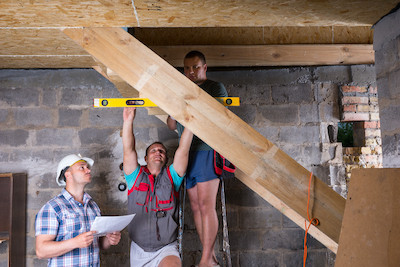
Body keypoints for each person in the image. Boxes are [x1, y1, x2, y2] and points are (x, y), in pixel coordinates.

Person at [167, 50, 228, 267]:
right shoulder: (182, 91)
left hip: (206, 150)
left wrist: (188, 101)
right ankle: (209, 258)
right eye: (187, 68)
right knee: (195, 206)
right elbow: (171, 124)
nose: (191, 71)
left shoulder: (214, 87)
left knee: (206, 204)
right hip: (187, 153)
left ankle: (205, 259)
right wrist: (177, 103)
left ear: (205, 67)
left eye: (195, 67)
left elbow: (218, 118)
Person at [122, 107, 193, 267]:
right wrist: (128, 121)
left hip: (166, 248)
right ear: (146, 158)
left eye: (161, 151)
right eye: (153, 150)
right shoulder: (134, 176)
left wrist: (191, 123)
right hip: (139, 249)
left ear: (166, 158)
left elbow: (183, 150)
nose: (157, 152)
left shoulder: (172, 177)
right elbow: (128, 149)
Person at [35, 154, 121, 266]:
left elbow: (99, 244)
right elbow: (41, 251)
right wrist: (74, 242)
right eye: (82, 167)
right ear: (68, 174)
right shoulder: (53, 208)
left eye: (87, 167)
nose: (88, 170)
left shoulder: (92, 206)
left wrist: (109, 240)